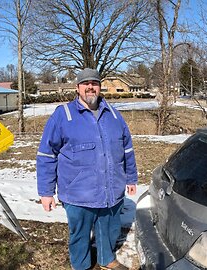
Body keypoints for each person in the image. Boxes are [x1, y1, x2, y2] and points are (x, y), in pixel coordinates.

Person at [36, 68, 138, 270]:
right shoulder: (63, 115)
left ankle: (106, 259)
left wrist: (131, 178)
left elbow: (127, 149)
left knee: (109, 230)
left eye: (95, 83)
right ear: (77, 88)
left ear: (100, 87)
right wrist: (46, 192)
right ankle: (81, 266)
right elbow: (47, 155)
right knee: (80, 234)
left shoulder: (114, 115)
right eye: (86, 83)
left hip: (111, 189)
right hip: (78, 193)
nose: (90, 87)